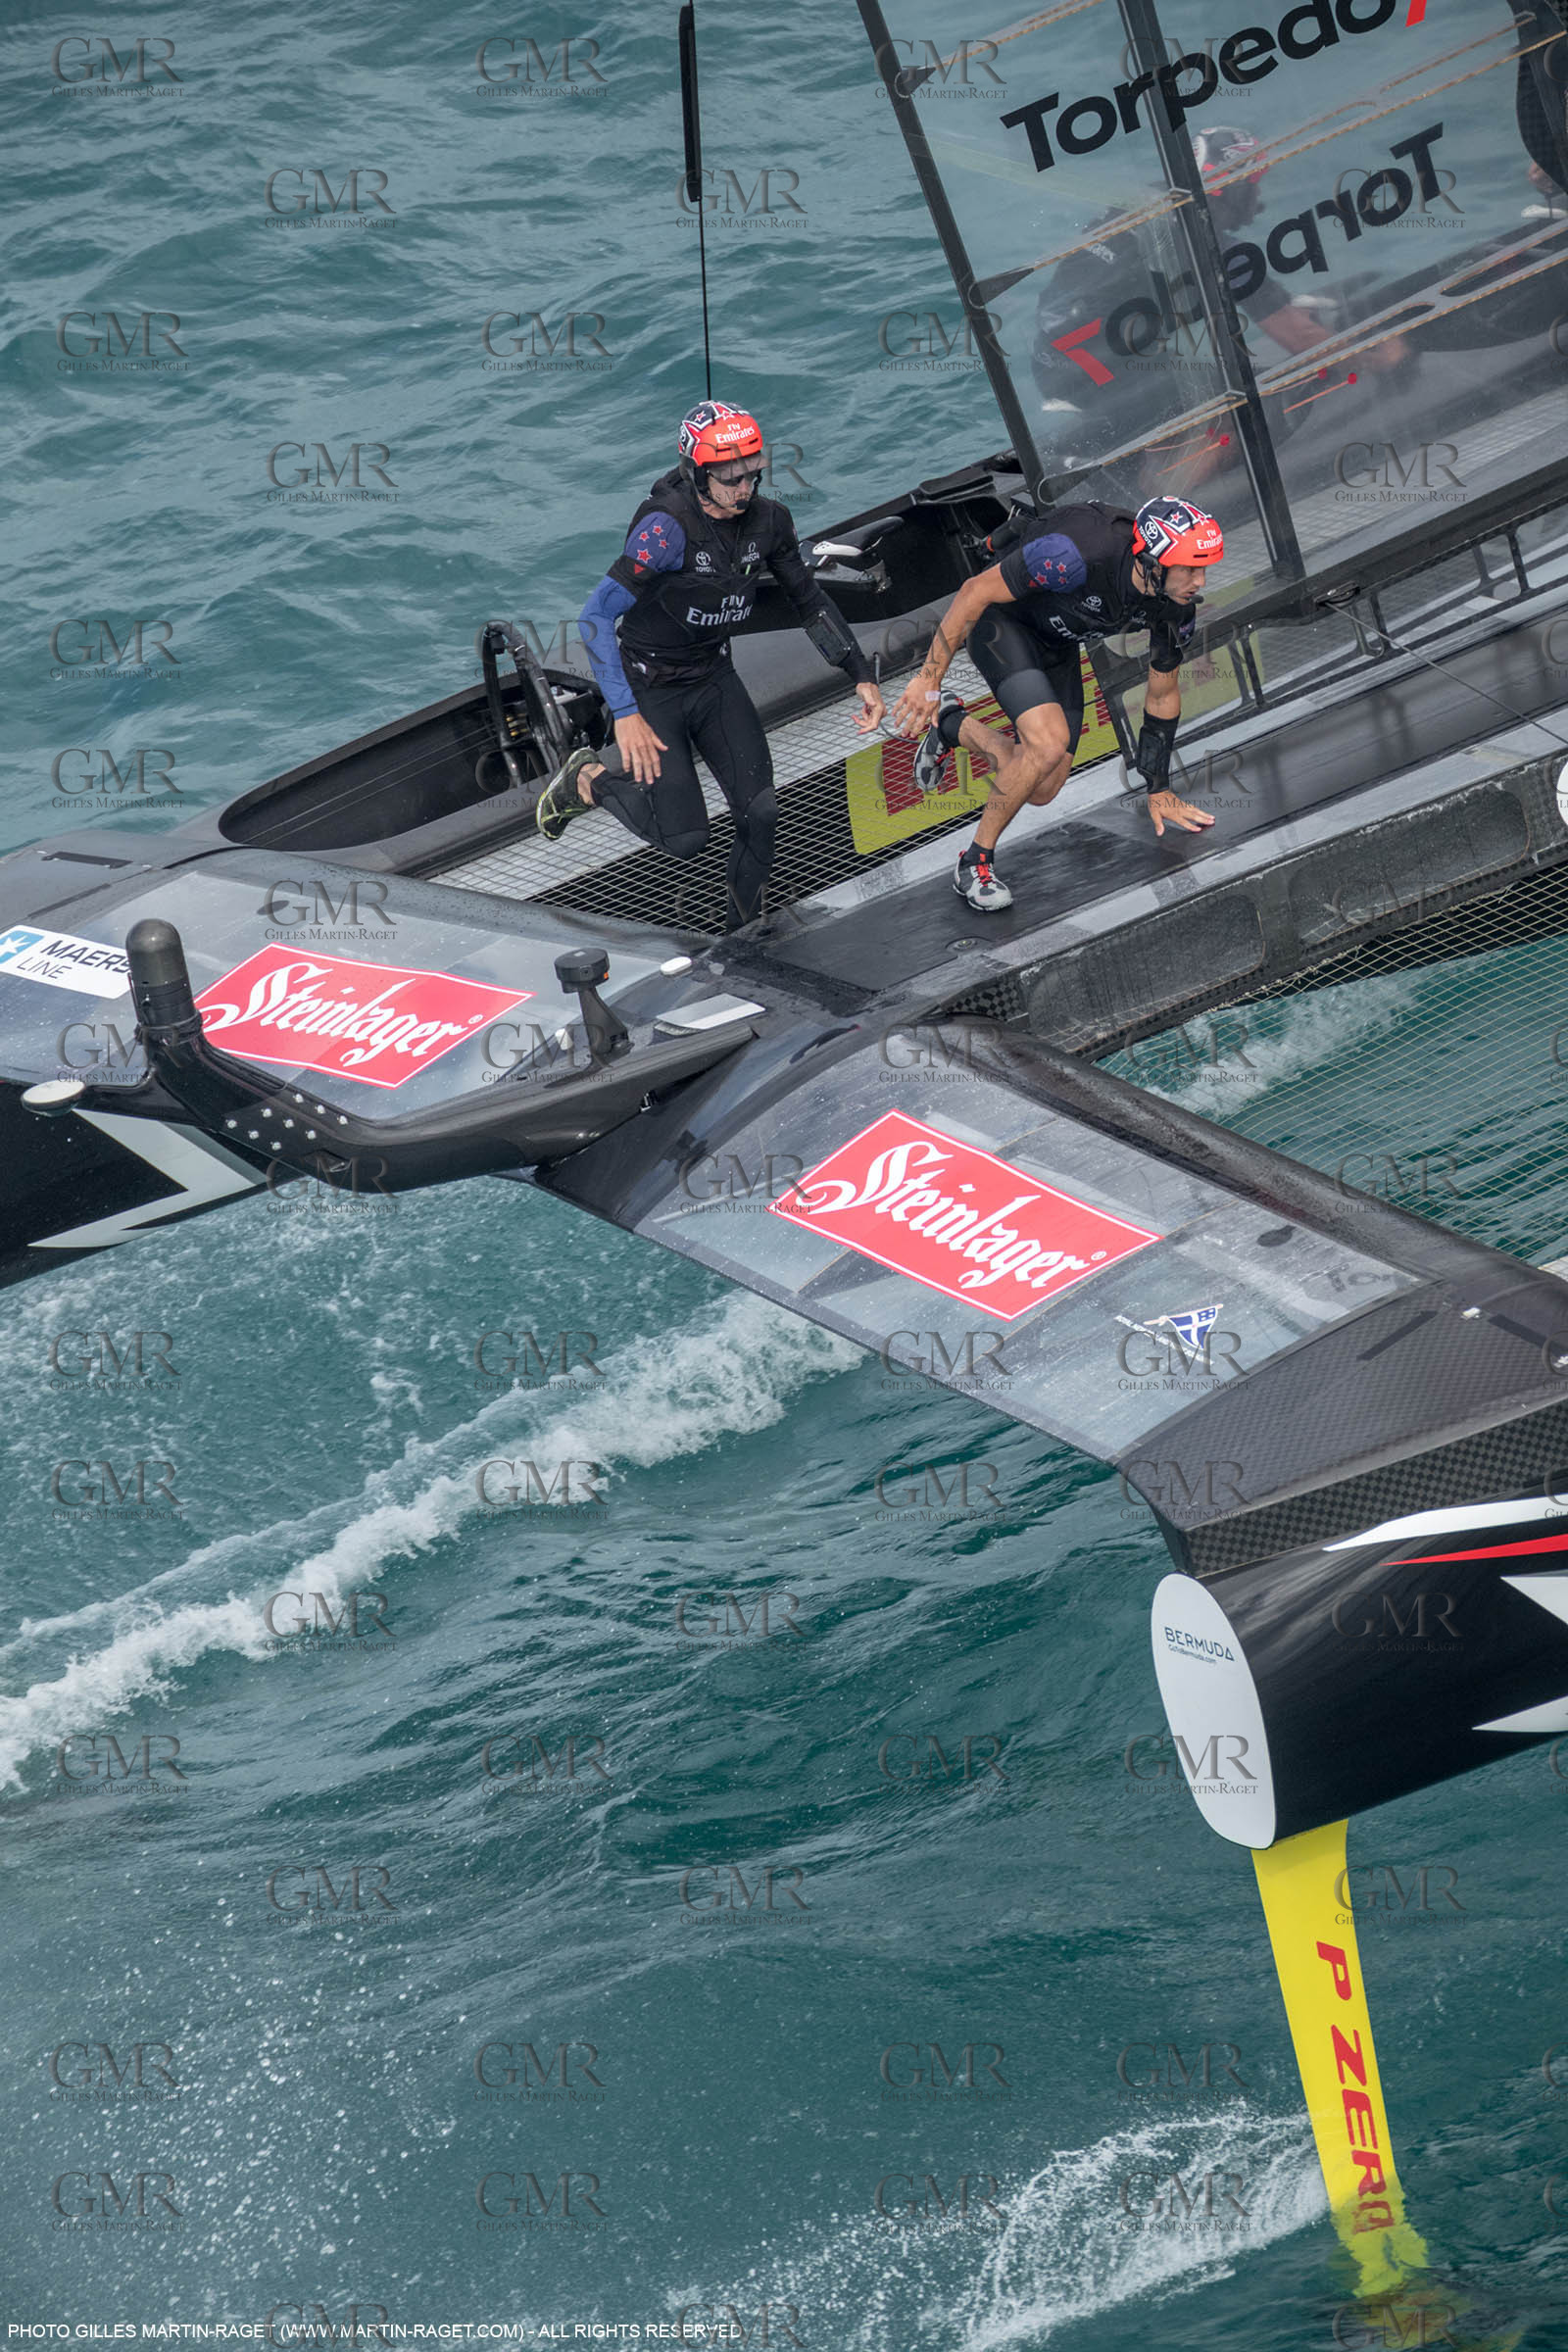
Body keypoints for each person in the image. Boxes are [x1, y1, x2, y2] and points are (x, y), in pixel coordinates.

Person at [536, 400, 886, 930]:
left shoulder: (770, 522)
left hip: (713, 675)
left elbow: (808, 600)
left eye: (751, 473)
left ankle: (741, 932)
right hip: (652, 686)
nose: (743, 488)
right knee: (685, 840)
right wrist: (626, 712)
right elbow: (594, 618)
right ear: (697, 472)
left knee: (762, 814)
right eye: (728, 477)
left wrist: (858, 673)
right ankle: (586, 778)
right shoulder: (666, 528)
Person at [889, 495, 1222, 912]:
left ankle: (953, 725)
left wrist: (1158, 788)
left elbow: (1163, 694)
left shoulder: (1175, 608)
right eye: (1191, 568)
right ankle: (973, 863)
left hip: (1060, 642)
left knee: (1042, 787)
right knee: (1047, 745)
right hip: (1002, 624)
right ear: (1154, 561)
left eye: (1205, 567)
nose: (1201, 581)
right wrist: (928, 678)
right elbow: (974, 591)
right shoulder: (1078, 551)